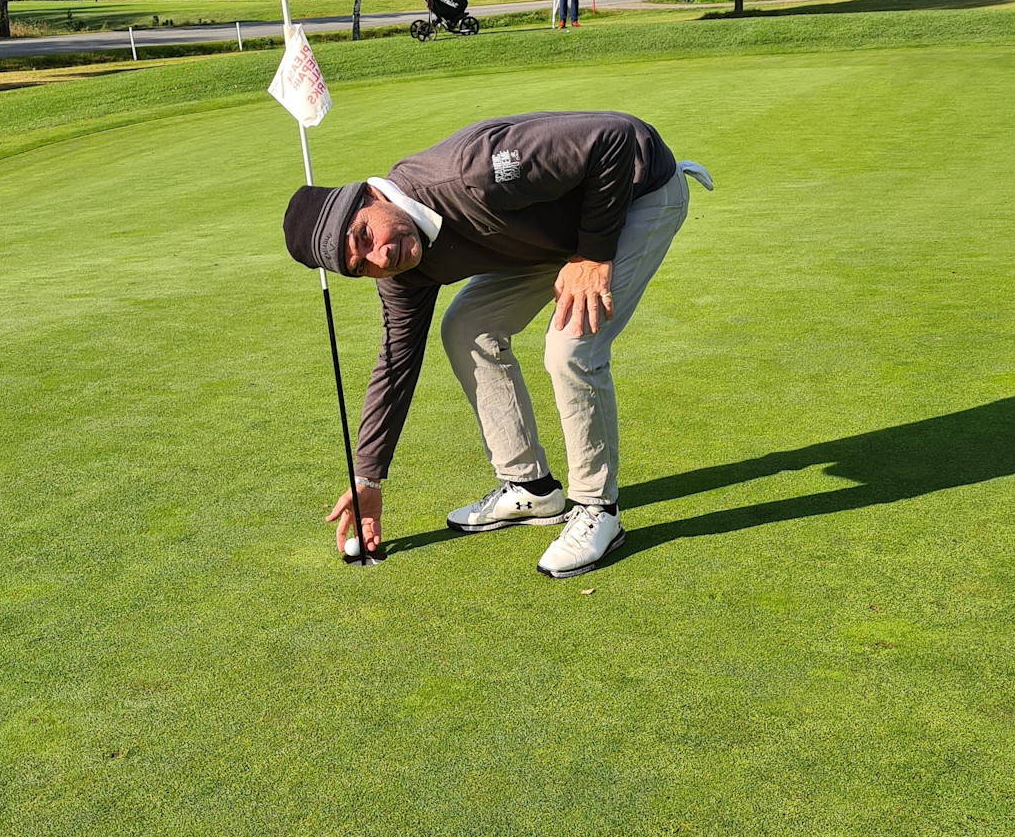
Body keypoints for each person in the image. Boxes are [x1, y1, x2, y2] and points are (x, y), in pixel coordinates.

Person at [281, 113, 712, 578]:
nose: (380, 257)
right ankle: (531, 486)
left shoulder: (473, 173)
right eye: (361, 266)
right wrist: (368, 475)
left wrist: (592, 254)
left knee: (569, 347)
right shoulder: (400, 268)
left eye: (364, 235)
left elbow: (615, 138)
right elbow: (396, 362)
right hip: (559, 237)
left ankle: (597, 510)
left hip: (639, 195)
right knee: (466, 326)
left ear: (370, 195)